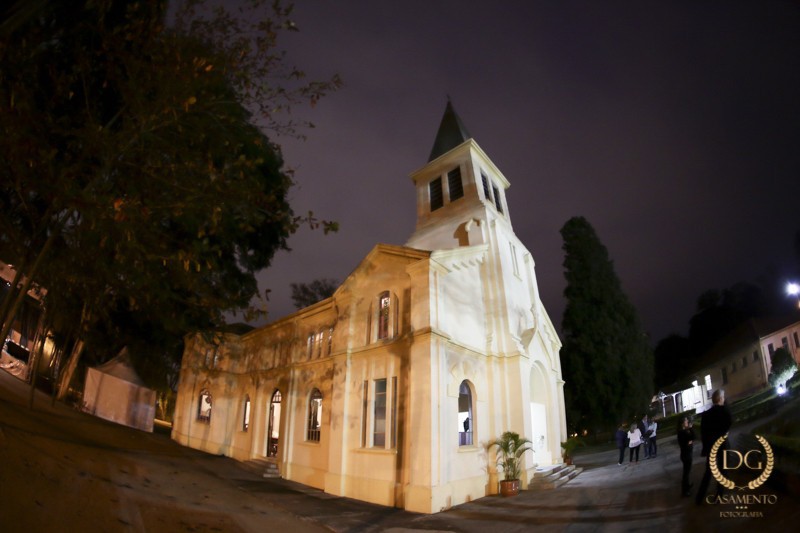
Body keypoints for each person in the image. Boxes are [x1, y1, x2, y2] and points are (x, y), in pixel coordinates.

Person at [695, 389, 733, 505]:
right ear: (721, 399)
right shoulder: (724, 411)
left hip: (711, 446)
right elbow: (730, 421)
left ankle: (699, 497)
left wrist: (706, 448)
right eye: (724, 397)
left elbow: (704, 433)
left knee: (708, 472)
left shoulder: (706, 414)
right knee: (723, 470)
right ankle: (719, 495)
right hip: (722, 444)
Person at [677, 415, 695, 496]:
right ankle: (685, 491)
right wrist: (690, 428)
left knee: (686, 472)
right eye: (686, 421)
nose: (687, 422)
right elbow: (693, 437)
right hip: (686, 454)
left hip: (686, 454)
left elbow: (690, 440)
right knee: (686, 473)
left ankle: (687, 487)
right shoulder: (682, 432)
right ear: (682, 423)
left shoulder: (683, 431)